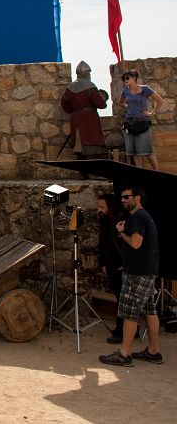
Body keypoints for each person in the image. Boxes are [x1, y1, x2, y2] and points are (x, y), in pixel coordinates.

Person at [100, 185, 163, 367]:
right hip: (148, 272)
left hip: (137, 273)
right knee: (150, 311)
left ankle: (124, 354)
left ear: (138, 198)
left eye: (127, 197)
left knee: (130, 312)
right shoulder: (145, 217)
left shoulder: (137, 218)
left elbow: (135, 244)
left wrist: (121, 233)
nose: (123, 200)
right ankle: (153, 350)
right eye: (121, 197)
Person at [60, 61, 108, 159]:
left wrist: (74, 110)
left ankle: (83, 170)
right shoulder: (90, 86)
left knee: (79, 145)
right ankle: (92, 171)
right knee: (92, 144)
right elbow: (101, 104)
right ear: (87, 74)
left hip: (76, 119)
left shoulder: (70, 88)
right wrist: (103, 101)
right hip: (89, 119)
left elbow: (64, 103)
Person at [96, 193, 127, 343]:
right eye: (98, 207)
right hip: (111, 267)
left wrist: (123, 264)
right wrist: (102, 264)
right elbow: (102, 245)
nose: (99, 210)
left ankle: (120, 332)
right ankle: (129, 330)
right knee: (119, 297)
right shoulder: (105, 221)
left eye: (102, 207)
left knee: (122, 300)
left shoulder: (120, 223)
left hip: (121, 268)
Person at [118, 69, 164, 170]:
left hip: (142, 122)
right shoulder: (125, 91)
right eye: (123, 79)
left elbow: (160, 101)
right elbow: (120, 102)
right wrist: (127, 106)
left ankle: (157, 173)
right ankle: (140, 174)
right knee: (134, 152)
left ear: (134, 78)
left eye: (127, 78)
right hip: (129, 123)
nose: (125, 80)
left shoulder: (145, 89)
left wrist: (152, 113)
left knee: (147, 151)